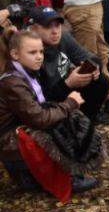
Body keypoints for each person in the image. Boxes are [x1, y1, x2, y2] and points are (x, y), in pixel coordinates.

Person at [0, 30, 98, 195]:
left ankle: (63, 171)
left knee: (67, 117)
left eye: (40, 52)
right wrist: (69, 104)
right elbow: (39, 119)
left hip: (18, 130)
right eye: (32, 52)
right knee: (58, 123)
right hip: (8, 140)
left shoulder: (26, 72)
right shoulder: (12, 83)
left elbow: (41, 105)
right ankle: (57, 177)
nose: (39, 57)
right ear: (15, 54)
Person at [26, 5, 109, 124]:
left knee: (100, 81)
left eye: (57, 25)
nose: (55, 31)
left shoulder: (63, 37)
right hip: (43, 103)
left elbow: (92, 58)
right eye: (48, 27)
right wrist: (68, 84)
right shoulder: (27, 50)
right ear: (33, 29)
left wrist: (94, 68)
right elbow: (38, 99)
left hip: (63, 88)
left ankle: (85, 124)